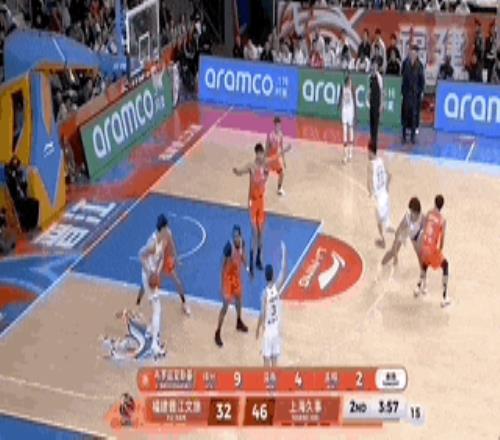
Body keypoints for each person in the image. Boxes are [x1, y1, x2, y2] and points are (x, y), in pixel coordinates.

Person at [137, 214, 190, 315]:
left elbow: (172, 245)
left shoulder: (168, 233)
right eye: (166, 225)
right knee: (147, 283)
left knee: (177, 282)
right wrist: (150, 268)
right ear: (163, 227)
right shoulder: (154, 240)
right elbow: (146, 253)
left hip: (165, 262)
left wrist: (176, 258)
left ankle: (184, 304)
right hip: (157, 264)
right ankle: (138, 303)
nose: (168, 227)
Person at [233, 143, 269, 277]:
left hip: (261, 202)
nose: (261, 156)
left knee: (260, 234)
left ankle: (258, 259)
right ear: (256, 154)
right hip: (253, 203)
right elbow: (242, 171)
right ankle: (252, 264)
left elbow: (264, 182)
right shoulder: (251, 166)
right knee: (254, 233)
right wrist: (237, 171)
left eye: (262, 154)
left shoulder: (265, 166)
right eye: (259, 154)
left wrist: (265, 176)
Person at [214, 226, 249, 347]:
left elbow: (243, 256)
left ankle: (238, 322)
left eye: (237, 236)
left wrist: (247, 268)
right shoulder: (228, 247)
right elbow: (222, 266)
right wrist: (222, 285)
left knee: (239, 300)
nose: (235, 238)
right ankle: (217, 332)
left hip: (237, 278)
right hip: (228, 280)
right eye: (233, 236)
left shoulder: (242, 243)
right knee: (225, 307)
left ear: (240, 235)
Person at [415, 195, 450, 308]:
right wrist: (439, 251)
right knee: (445, 265)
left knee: (425, 263)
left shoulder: (428, 213)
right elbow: (442, 239)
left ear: (434, 203)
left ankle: (418, 287)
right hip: (431, 249)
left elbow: (422, 228)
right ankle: (444, 297)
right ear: (442, 206)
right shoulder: (442, 220)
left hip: (423, 247)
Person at [256, 241, 287, 367]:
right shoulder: (277, 287)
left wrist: (258, 328)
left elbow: (262, 314)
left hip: (268, 331)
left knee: (266, 361)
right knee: (275, 361)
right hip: (276, 329)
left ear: (265, 277)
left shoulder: (264, 294)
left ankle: (266, 380)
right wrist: (284, 253)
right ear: (273, 275)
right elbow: (283, 271)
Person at [380, 197, 423, 267]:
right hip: (404, 232)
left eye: (416, 213)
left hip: (414, 233)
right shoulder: (407, 218)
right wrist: (395, 255)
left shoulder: (421, 217)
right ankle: (382, 264)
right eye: (412, 212)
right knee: (393, 251)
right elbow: (397, 233)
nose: (414, 215)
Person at [367, 141, 392, 249]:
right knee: (386, 218)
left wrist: (370, 193)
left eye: (368, 152)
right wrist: (387, 187)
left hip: (379, 198)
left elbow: (369, 182)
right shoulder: (381, 160)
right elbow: (389, 175)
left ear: (370, 151)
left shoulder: (370, 165)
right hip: (385, 194)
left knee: (379, 221)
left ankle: (383, 241)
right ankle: (392, 232)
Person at [401, 45, 425, 144]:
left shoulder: (419, 65)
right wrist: (403, 91)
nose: (413, 55)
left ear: (417, 54)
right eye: (411, 53)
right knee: (405, 114)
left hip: (415, 94)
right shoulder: (405, 63)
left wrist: (420, 91)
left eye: (414, 53)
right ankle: (404, 135)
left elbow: (422, 80)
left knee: (414, 116)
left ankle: (412, 136)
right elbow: (403, 78)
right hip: (406, 94)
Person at [266, 117, 292, 195]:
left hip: (276, 158)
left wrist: (283, 160)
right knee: (265, 175)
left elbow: (281, 147)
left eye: (279, 125)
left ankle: (279, 189)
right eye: (277, 125)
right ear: (274, 125)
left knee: (281, 173)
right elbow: (267, 148)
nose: (278, 126)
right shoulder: (270, 135)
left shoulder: (280, 135)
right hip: (269, 158)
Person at [339, 75, 355, 164]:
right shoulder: (342, 88)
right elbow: (340, 98)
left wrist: (356, 114)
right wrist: (339, 106)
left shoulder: (352, 88)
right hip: (344, 112)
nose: (351, 82)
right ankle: (345, 155)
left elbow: (355, 101)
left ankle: (350, 153)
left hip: (350, 112)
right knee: (344, 133)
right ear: (347, 82)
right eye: (350, 81)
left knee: (350, 132)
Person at [369, 60, 383, 152]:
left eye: (375, 66)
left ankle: (375, 141)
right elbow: (369, 89)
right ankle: (372, 139)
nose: (373, 68)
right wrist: (368, 100)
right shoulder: (370, 76)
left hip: (377, 102)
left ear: (377, 68)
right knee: (371, 122)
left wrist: (381, 104)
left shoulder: (379, 77)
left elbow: (381, 91)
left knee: (376, 123)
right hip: (371, 102)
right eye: (372, 66)